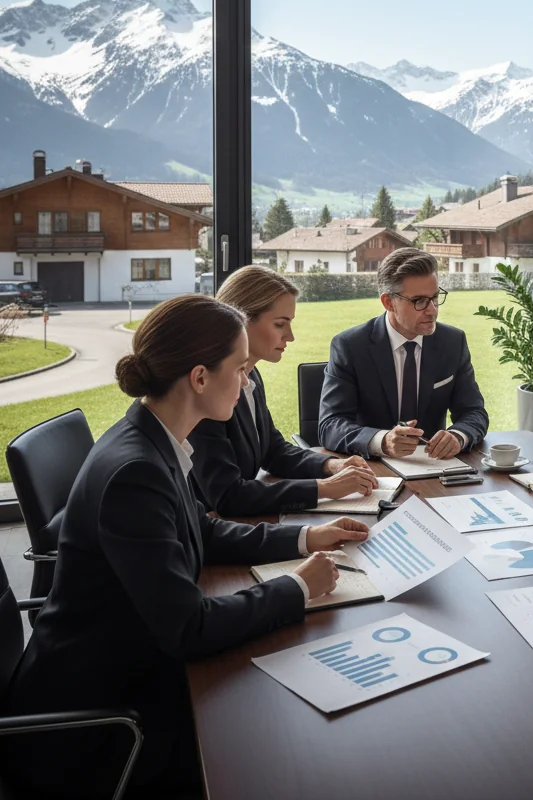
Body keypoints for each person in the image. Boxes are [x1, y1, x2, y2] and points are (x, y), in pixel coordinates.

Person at [1, 295, 370, 797]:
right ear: (199, 378)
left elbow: (205, 529)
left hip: (127, 663)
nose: (247, 382)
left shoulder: (153, 439)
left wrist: (305, 535)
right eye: (240, 369)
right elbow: (189, 628)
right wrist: (296, 588)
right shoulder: (136, 471)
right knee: (273, 750)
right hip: (102, 714)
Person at [189, 265, 377, 516]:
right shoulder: (208, 390)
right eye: (280, 324)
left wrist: (331, 465)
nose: (290, 336)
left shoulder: (250, 374)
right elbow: (227, 496)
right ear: (240, 320)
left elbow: (273, 450)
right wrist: (324, 488)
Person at [319, 247, 489, 459]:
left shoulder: (452, 342)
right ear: (388, 302)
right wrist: (382, 441)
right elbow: (330, 425)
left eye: (435, 297)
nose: (433, 310)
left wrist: (458, 435)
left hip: (435, 469)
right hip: (372, 472)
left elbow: (474, 412)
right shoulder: (350, 346)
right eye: (419, 301)